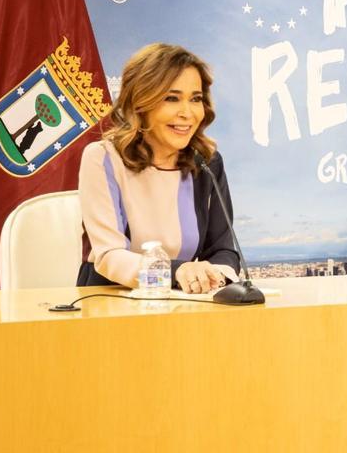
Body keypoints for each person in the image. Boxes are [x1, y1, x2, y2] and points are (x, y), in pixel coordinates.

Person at [77, 43, 241, 293]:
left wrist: (213, 276)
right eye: (171, 98)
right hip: (109, 298)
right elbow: (110, 256)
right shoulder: (102, 158)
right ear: (142, 102)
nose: (187, 113)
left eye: (195, 99)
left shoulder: (206, 161)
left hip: (182, 300)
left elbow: (224, 249)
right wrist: (177, 272)